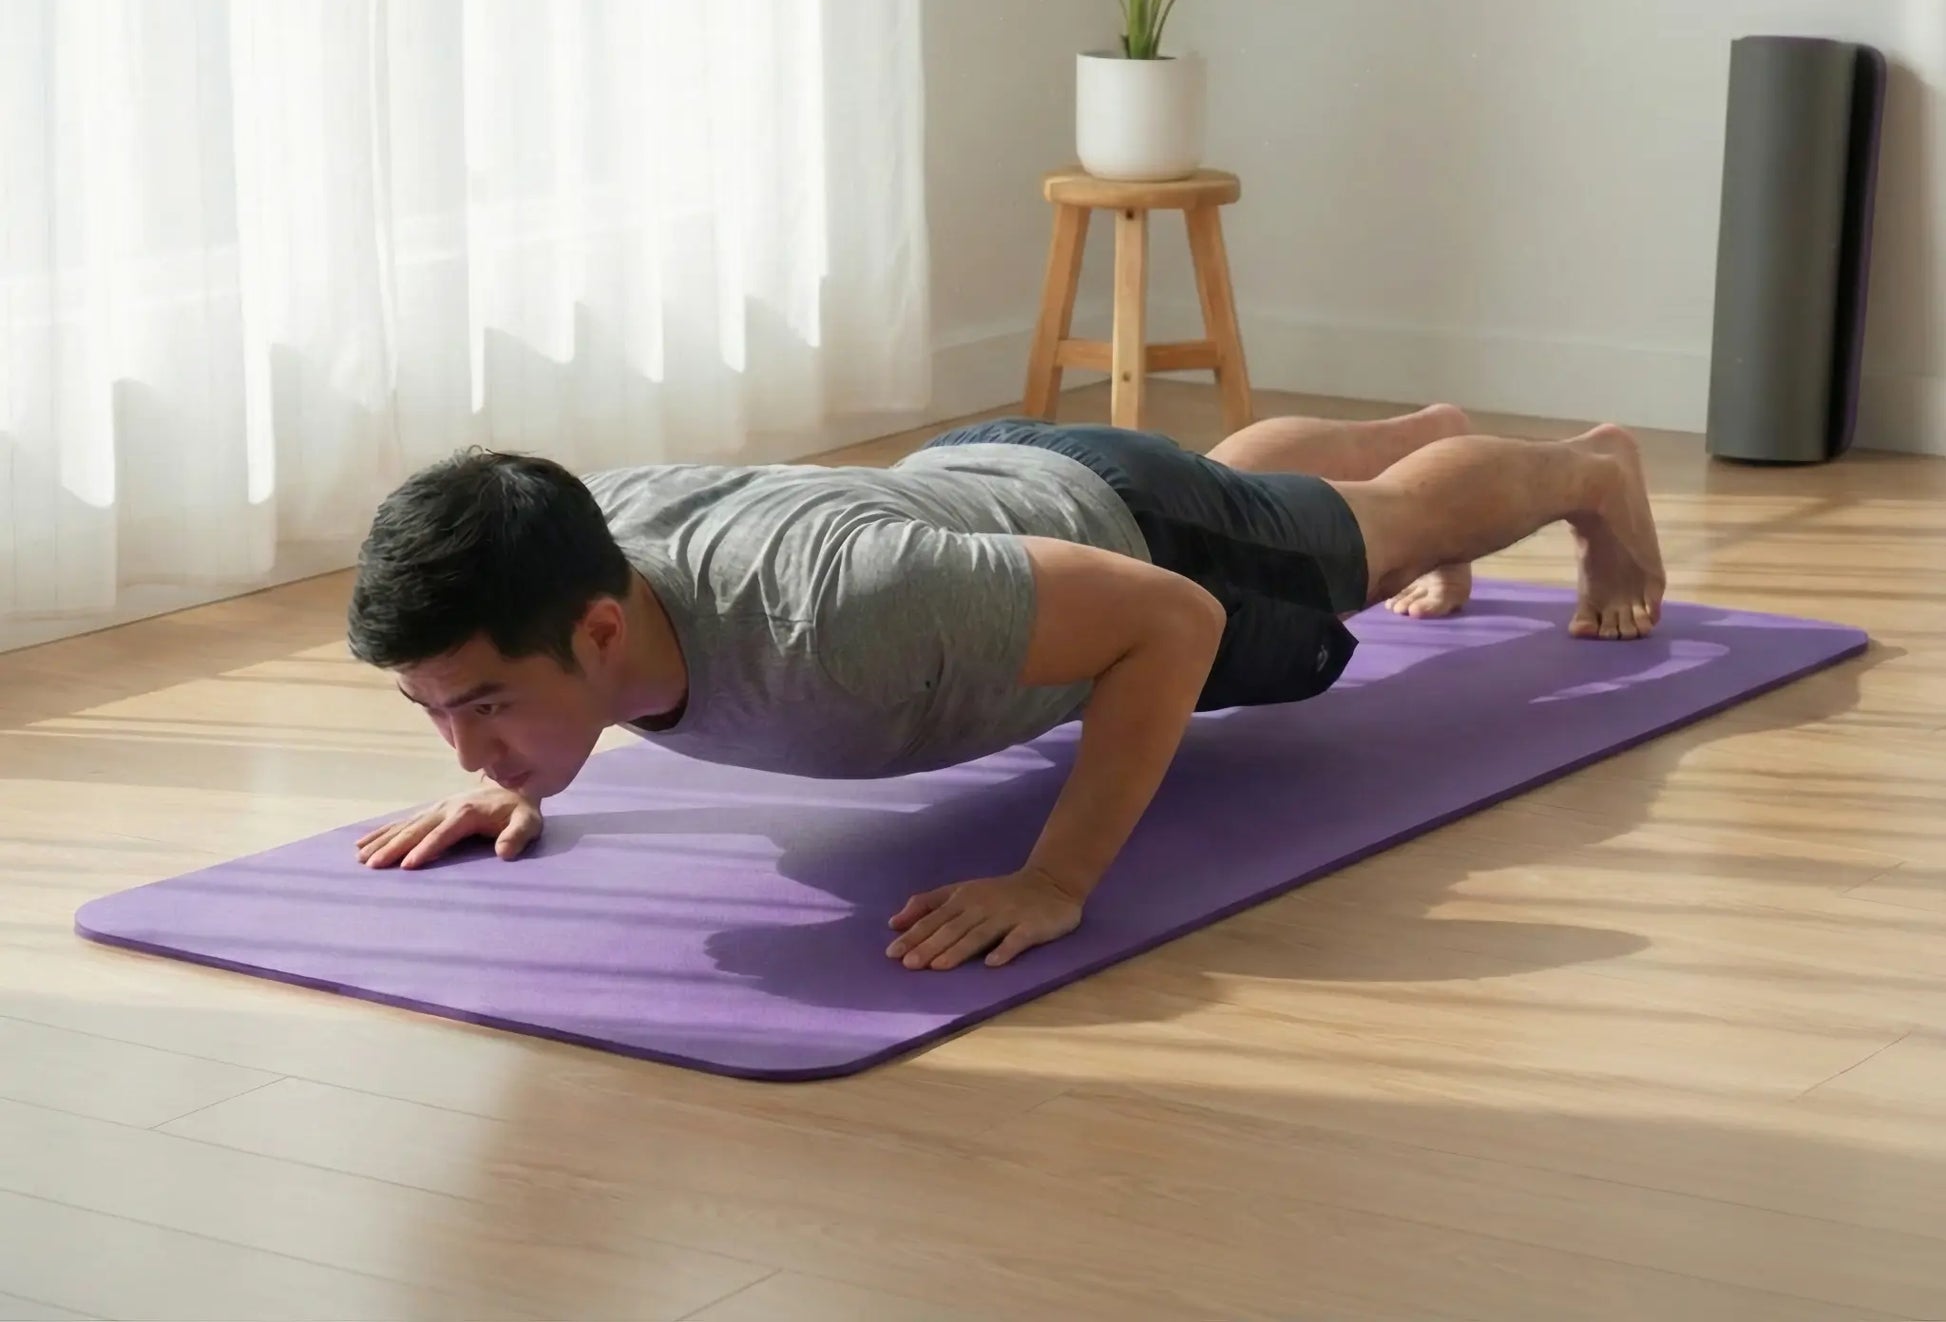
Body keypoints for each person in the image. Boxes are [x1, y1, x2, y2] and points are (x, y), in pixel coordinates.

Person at [346, 405, 1666, 972]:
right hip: (986, 489)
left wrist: (1056, 877)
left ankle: (1588, 470)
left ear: (592, 631)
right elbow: (514, 670)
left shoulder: (842, 614)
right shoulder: (575, 541)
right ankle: (1403, 437)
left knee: (1371, 546)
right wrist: (500, 768)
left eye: (484, 704)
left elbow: (1172, 616)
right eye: (439, 708)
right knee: (1270, 500)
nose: (470, 737)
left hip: (1133, 535)